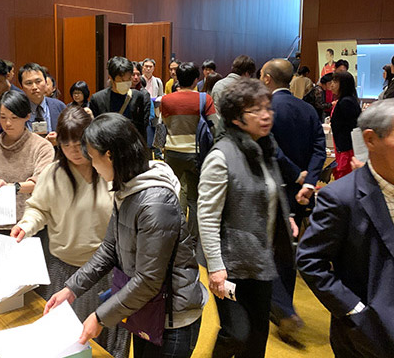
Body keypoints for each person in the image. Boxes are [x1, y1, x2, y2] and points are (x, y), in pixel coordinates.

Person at [45, 113, 207, 358]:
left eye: (93, 157)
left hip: (172, 317)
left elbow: (148, 280)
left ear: (110, 155)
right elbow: (109, 249)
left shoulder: (155, 203)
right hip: (147, 308)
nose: (92, 165)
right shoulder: (126, 187)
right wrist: (72, 289)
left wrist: (100, 317)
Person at [10, 106, 129, 358]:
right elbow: (38, 209)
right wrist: (26, 225)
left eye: (80, 143)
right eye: (66, 145)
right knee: (64, 342)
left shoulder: (109, 170)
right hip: (62, 269)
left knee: (101, 342)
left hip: (105, 271)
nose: (74, 151)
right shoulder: (53, 174)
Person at [198, 78, 295, 358]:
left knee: (257, 336)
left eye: (268, 108)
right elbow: (207, 216)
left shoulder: (264, 147)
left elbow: (269, 190)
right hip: (230, 264)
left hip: (260, 260)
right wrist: (216, 268)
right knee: (236, 333)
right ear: (236, 118)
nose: (266, 115)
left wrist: (284, 217)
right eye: (256, 110)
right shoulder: (221, 156)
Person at [297, 99, 394, 358]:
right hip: (369, 335)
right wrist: (354, 310)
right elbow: (310, 261)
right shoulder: (341, 197)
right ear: (370, 139)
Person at [260, 58, 326, 345]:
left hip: (274, 188)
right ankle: (283, 306)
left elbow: (271, 149)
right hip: (302, 194)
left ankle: (282, 309)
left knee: (267, 248)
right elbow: (319, 148)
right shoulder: (308, 109)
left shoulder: (265, 109)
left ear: (267, 78)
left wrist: (295, 174)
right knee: (288, 250)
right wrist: (309, 181)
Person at [0, 90, 54, 255]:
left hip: (33, 224)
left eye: (14, 118)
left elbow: (41, 182)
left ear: (27, 116)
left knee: (35, 270)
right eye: (3, 117)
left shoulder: (42, 146)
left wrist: (11, 187)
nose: (8, 123)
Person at [160, 62, 219, 252]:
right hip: (196, 155)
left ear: (177, 78)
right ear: (196, 80)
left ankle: (174, 234)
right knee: (194, 198)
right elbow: (216, 126)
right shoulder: (204, 99)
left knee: (173, 194)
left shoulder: (166, 100)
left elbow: (161, 127)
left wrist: (160, 149)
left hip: (172, 153)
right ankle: (192, 241)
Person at [89, 56, 151, 141]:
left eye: (128, 79)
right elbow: (95, 130)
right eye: (122, 80)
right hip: (107, 144)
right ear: (111, 78)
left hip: (131, 144)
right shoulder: (97, 99)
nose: (126, 83)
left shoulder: (137, 96)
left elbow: (141, 128)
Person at [19, 62, 66, 143]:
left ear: (45, 82)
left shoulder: (59, 106)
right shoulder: (17, 109)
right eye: (29, 83)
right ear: (22, 87)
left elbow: (70, 136)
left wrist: (59, 139)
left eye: (38, 81)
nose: (34, 87)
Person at [330, 71, 361, 179]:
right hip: (344, 147)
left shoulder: (346, 102)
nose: (331, 84)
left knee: (344, 177)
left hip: (347, 149)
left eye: (335, 82)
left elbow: (353, 127)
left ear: (344, 84)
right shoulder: (345, 100)